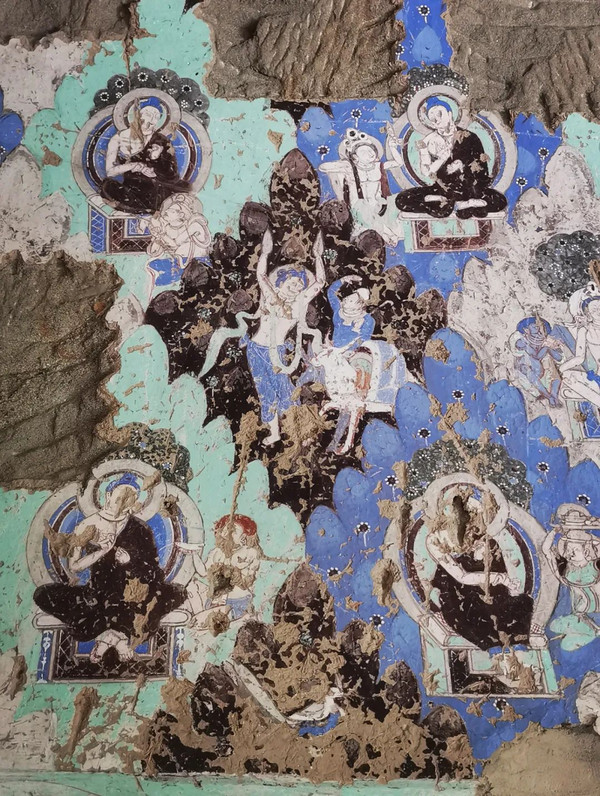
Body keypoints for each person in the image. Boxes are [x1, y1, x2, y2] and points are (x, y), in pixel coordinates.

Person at [33, 473, 186, 664]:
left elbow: (155, 573)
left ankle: (111, 636)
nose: (122, 503)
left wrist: (131, 562)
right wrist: (101, 552)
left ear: (134, 503)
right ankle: (116, 636)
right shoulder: (88, 525)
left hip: (131, 599)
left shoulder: (140, 529)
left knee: (177, 593)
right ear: (107, 495)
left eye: (129, 499)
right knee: (44, 595)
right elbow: (74, 566)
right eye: (119, 497)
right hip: (99, 596)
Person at [424, 486, 533, 649]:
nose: (470, 524)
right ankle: (495, 647)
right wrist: (502, 579)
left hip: (488, 588)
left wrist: (482, 554)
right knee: (477, 617)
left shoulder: (480, 536)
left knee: (522, 604)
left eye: (473, 518)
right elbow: (462, 577)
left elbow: (493, 565)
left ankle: (515, 645)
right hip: (458, 594)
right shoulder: (435, 540)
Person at [245, 229, 326, 444]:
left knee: (285, 390)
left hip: (276, 354)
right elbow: (261, 276)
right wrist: (265, 253)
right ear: (281, 283)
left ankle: (299, 431)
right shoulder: (270, 297)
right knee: (265, 392)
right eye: (291, 283)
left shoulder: (299, 304)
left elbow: (319, 282)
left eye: (299, 286)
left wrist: (318, 256)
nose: (295, 288)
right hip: (255, 349)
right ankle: (275, 432)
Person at [392, 97, 507, 219]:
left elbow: (483, 173)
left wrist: (463, 168)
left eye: (439, 114)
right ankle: (458, 204)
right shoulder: (429, 141)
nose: (437, 120)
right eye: (432, 118)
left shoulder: (470, 137)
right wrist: (439, 160)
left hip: (470, 189)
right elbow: (427, 172)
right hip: (443, 190)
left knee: (500, 200)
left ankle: (458, 204)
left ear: (450, 113)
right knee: (402, 199)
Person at [319, 128, 403, 246]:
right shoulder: (351, 168)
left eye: (371, 150)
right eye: (364, 152)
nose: (370, 153)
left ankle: (385, 232)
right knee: (365, 211)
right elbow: (323, 167)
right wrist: (344, 164)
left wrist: (392, 147)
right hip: (359, 206)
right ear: (355, 157)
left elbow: (398, 163)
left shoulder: (378, 166)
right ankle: (385, 232)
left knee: (396, 202)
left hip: (378, 204)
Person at [101, 104, 189, 213]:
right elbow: (110, 172)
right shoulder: (118, 139)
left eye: (152, 123)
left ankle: (148, 209)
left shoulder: (161, 141)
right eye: (144, 120)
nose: (148, 126)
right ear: (136, 117)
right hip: (131, 190)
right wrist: (134, 166)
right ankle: (144, 209)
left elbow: (173, 175)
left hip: (157, 189)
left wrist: (156, 161)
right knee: (107, 186)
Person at [180, 514, 262, 625]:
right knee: (191, 585)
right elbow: (203, 572)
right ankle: (197, 615)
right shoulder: (217, 552)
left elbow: (245, 582)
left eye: (234, 531)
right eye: (226, 528)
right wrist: (194, 553)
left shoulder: (249, 552)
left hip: (236, 602)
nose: (227, 533)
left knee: (203, 620)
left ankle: (200, 618)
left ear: (243, 537)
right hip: (215, 601)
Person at [511, 317, 563, 407]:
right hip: (528, 368)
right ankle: (549, 397)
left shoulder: (544, 340)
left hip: (541, 366)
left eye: (538, 325)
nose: (537, 326)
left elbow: (559, 358)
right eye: (533, 325)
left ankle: (554, 396)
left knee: (554, 375)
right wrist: (545, 349)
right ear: (526, 330)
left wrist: (548, 348)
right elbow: (534, 355)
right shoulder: (522, 341)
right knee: (531, 373)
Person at [560, 295, 600, 410]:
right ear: (589, 315)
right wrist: (560, 369)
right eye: (594, 309)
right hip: (598, 378)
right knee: (567, 376)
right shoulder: (585, 330)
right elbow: (579, 358)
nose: (599, 311)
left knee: (567, 393)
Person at [328, 276, 374, 349]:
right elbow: (331, 292)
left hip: (351, 353)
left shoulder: (367, 320)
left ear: (360, 305)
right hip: (333, 350)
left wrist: (355, 331)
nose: (345, 300)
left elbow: (363, 340)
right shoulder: (338, 310)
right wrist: (343, 280)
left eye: (351, 300)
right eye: (346, 298)